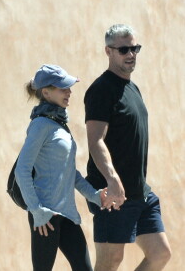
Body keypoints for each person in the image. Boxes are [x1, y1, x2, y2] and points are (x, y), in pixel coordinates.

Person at [84, 24, 171, 271]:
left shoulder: (133, 88)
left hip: (141, 193)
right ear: (108, 51)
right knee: (110, 262)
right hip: (113, 195)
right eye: (124, 49)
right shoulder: (101, 90)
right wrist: (112, 180)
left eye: (135, 48)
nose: (131, 54)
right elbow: (95, 140)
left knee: (160, 254)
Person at [15, 64, 108, 271]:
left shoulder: (59, 125)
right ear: (46, 92)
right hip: (46, 218)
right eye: (63, 88)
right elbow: (21, 169)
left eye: (68, 87)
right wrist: (37, 211)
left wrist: (95, 195)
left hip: (68, 215)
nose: (69, 92)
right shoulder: (40, 125)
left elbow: (69, 173)